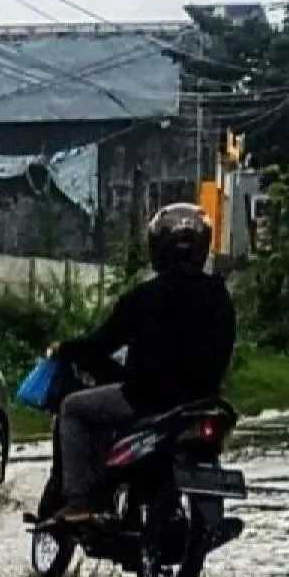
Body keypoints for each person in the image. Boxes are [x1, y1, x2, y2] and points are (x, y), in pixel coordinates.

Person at [48, 203, 236, 524]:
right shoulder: (220, 297)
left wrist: (63, 349)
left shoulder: (143, 297)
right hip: (202, 403)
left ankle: (80, 502)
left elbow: (100, 344)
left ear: (156, 249)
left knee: (72, 408)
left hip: (146, 402)